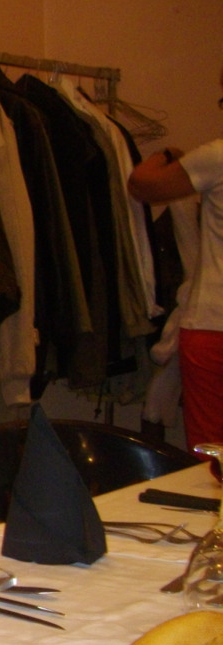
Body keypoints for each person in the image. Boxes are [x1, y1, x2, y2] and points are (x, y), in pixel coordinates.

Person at [127, 67, 223, 469]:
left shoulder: (217, 156)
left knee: (213, 459)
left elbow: (143, 185)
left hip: (214, 326)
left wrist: (163, 157)